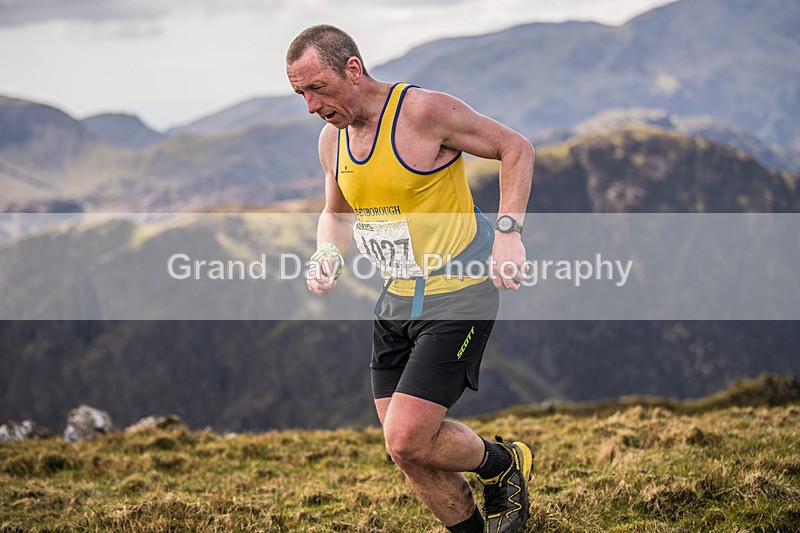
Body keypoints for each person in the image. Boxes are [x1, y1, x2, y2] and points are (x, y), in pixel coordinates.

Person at [286, 24, 535, 533]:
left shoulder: (422, 113)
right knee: (408, 451)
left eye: (318, 88)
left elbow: (516, 148)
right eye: (301, 94)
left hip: (459, 294)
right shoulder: (331, 141)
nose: (312, 105)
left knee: (405, 438)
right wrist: (326, 253)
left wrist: (508, 232)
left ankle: (501, 464)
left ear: (352, 70)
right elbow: (336, 213)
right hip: (397, 300)